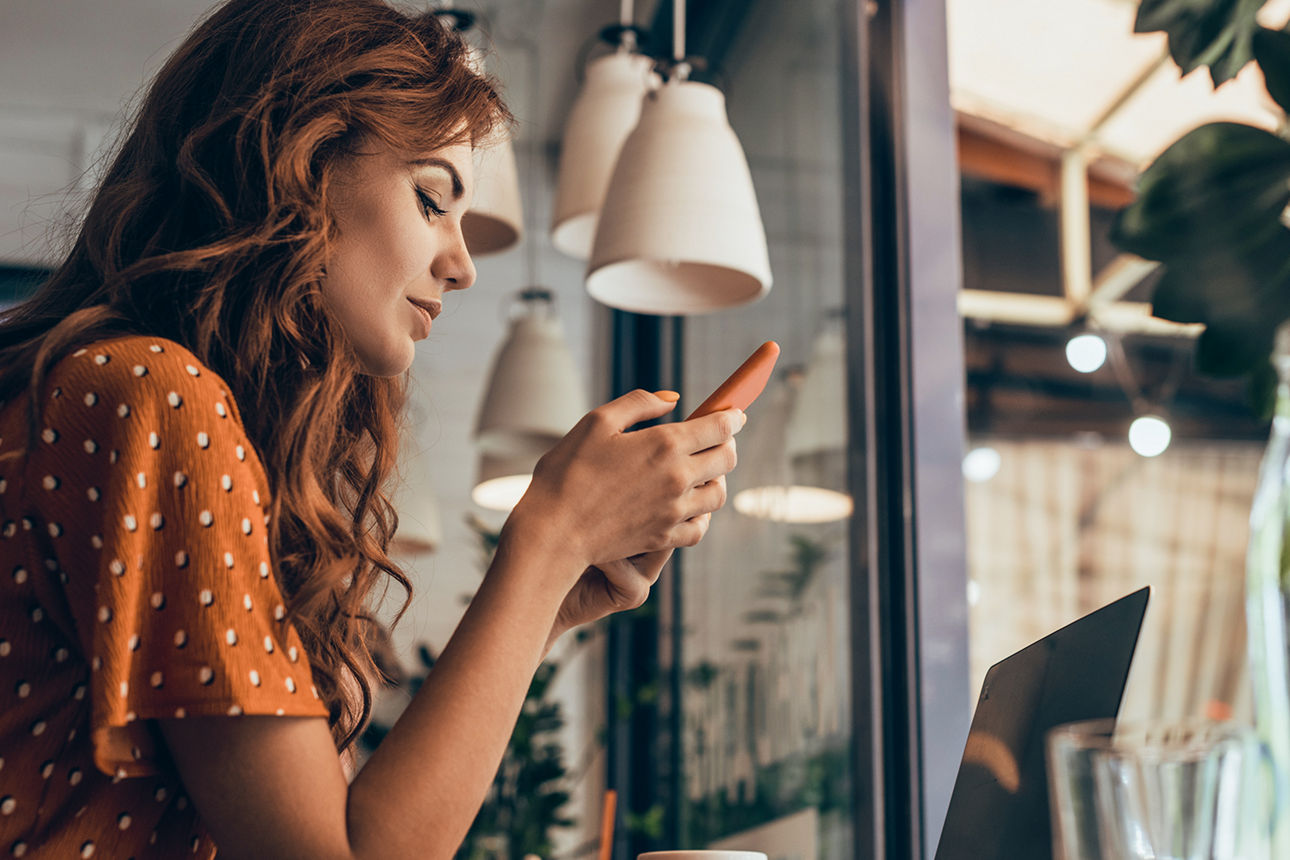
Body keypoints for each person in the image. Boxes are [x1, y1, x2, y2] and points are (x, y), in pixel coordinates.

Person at [0, 0, 743, 857]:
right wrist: (548, 537)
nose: (461, 266)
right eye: (432, 199)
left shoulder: (109, 389)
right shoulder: (155, 396)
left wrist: (548, 599)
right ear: (302, 162)